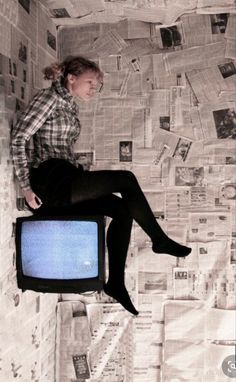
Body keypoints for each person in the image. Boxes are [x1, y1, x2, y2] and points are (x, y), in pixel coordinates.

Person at [11, 56, 191, 315]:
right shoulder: (49, 98)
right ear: (71, 78)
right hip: (50, 180)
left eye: (97, 85)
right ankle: (159, 240)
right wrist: (27, 188)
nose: (93, 89)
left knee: (122, 210)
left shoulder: (69, 104)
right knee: (125, 180)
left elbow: (60, 148)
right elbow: (19, 138)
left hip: (66, 177)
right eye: (90, 82)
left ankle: (115, 282)